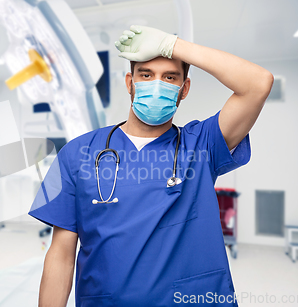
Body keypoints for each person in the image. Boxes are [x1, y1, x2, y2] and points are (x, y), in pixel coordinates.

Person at [28, 25, 273, 306]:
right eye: (146, 75)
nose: (157, 84)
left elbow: (258, 83)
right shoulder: (77, 153)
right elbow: (60, 254)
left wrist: (173, 45)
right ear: (130, 83)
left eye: (170, 77)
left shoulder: (202, 145)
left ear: (184, 89)